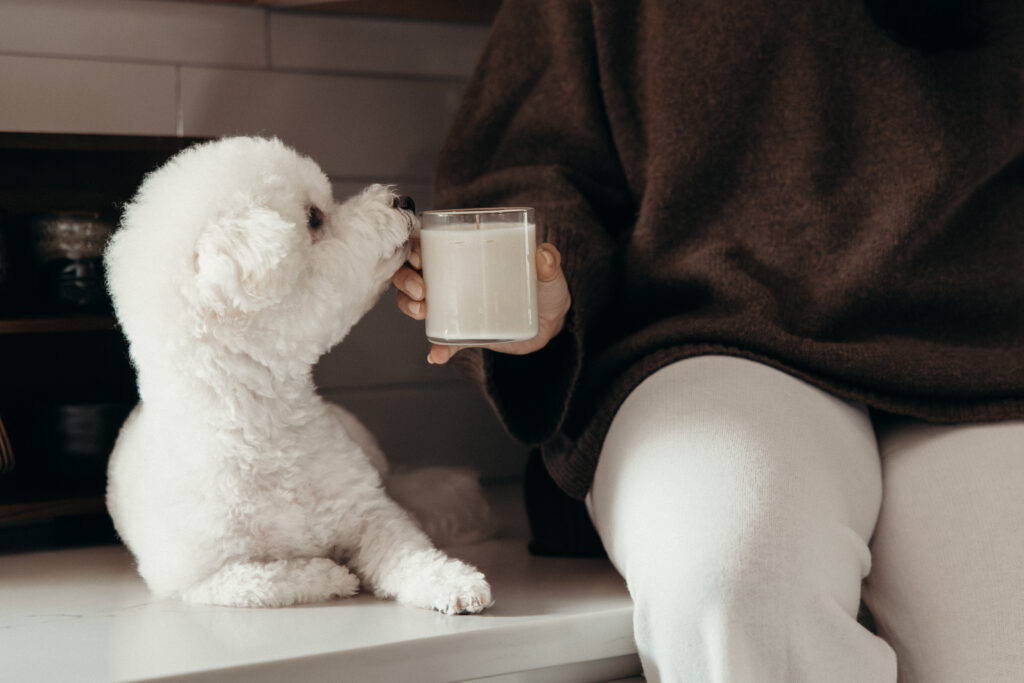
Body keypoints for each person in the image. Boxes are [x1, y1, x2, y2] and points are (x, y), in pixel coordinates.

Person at [393, 0, 1024, 681]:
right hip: (709, 337)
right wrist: (542, 281)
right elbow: (529, 163)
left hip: (983, 346)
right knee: (735, 575)